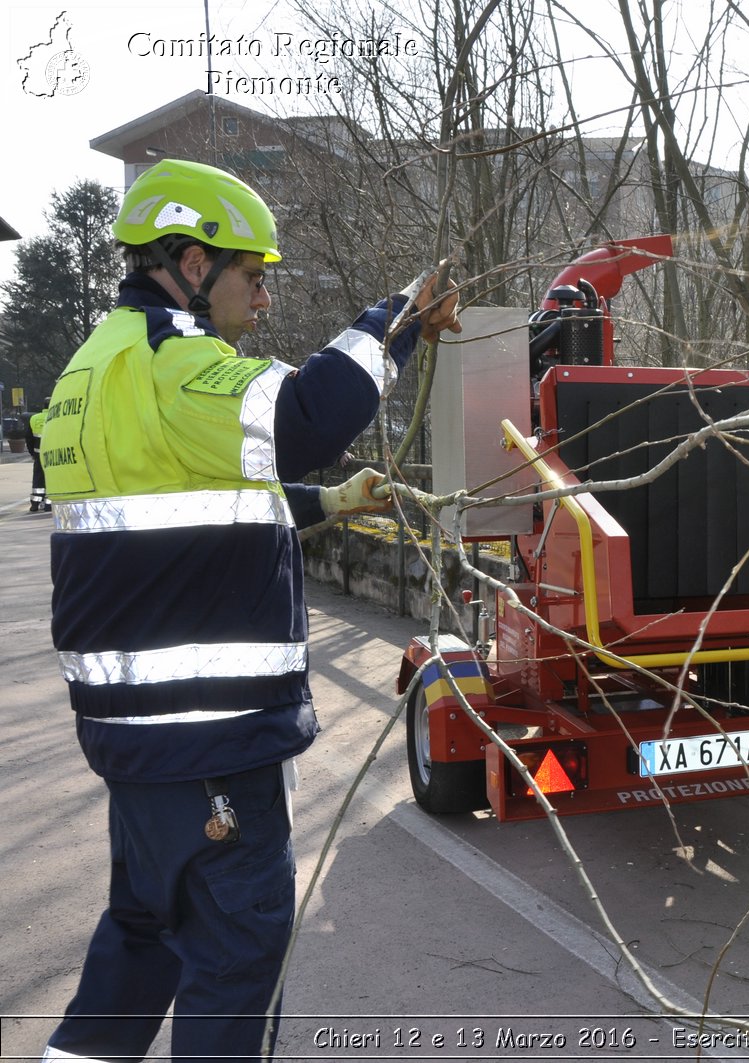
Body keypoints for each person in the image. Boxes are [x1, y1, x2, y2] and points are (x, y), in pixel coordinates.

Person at [37, 158, 460, 1062]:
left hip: (141, 744)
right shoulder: (176, 361)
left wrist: (335, 503)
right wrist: (397, 318)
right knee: (234, 957)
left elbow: (194, 507)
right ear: (193, 263)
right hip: (212, 744)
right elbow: (304, 415)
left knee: (145, 935)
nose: (262, 300)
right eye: (252, 276)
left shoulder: (93, 368)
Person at [27, 408, 49, 511]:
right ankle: (49, 504)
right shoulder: (57, 416)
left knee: (38, 479)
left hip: (38, 455)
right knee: (50, 479)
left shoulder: (34, 418)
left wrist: (32, 453)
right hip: (52, 455)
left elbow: (29, 438)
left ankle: (35, 504)